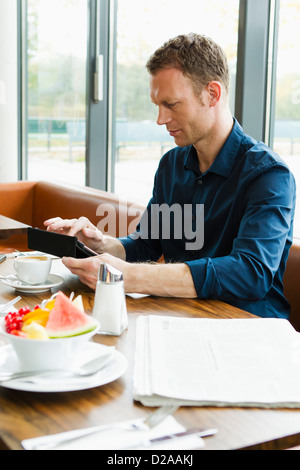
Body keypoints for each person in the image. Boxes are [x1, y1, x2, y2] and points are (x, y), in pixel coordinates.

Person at [44, 33, 296, 320]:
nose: (160, 119)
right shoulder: (172, 165)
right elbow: (146, 245)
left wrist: (130, 276)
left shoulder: (269, 175)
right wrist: (99, 244)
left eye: (171, 104)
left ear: (212, 94)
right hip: (182, 317)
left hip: (246, 328)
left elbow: (250, 274)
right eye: (157, 105)